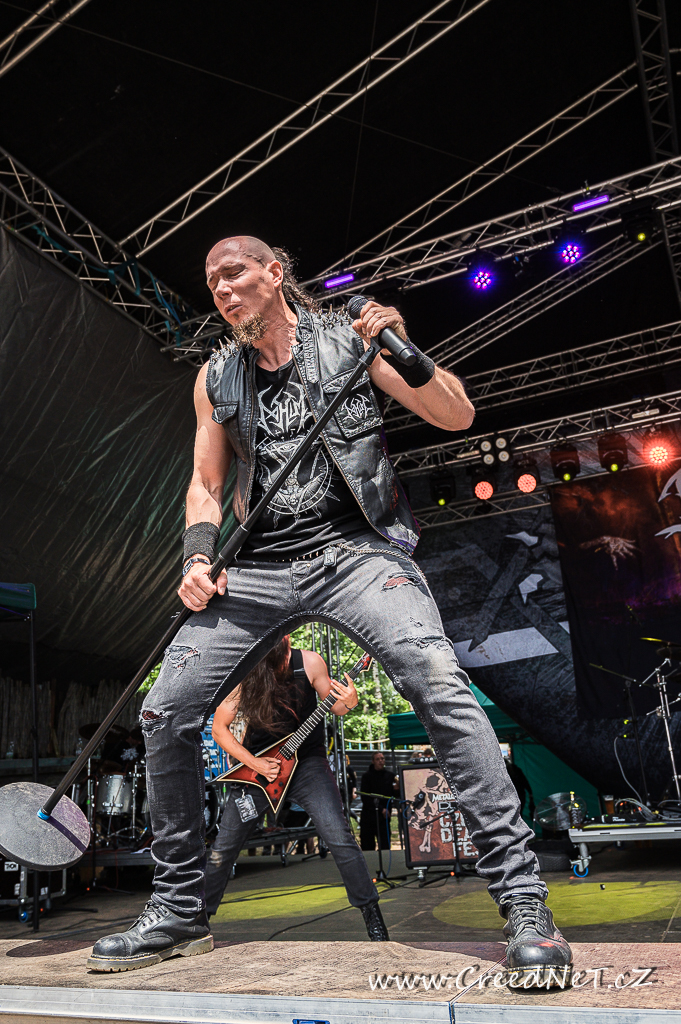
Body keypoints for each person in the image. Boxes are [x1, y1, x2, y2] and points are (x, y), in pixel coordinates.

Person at [89, 235, 571, 984]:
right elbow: (206, 486)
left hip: (356, 552)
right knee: (165, 709)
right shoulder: (216, 376)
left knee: (437, 681)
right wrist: (196, 558)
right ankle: (179, 911)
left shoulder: (350, 340)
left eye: (235, 274)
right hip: (259, 566)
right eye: (212, 283)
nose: (222, 291)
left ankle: (525, 905)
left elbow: (455, 414)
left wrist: (404, 349)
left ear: (275, 273)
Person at [203, 636, 388, 939]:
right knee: (223, 848)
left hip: (307, 765)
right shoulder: (246, 670)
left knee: (339, 836)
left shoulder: (310, 662)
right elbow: (219, 730)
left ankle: (371, 913)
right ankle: (197, 921)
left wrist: (351, 701)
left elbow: (337, 707)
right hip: (260, 769)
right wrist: (256, 763)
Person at [359, 751, 398, 850]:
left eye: (382, 759)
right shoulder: (366, 777)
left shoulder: (390, 776)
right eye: (378, 759)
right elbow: (365, 798)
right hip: (369, 816)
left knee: (385, 845)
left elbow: (394, 795)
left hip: (384, 818)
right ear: (373, 761)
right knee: (368, 846)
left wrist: (397, 789)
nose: (381, 761)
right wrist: (380, 809)